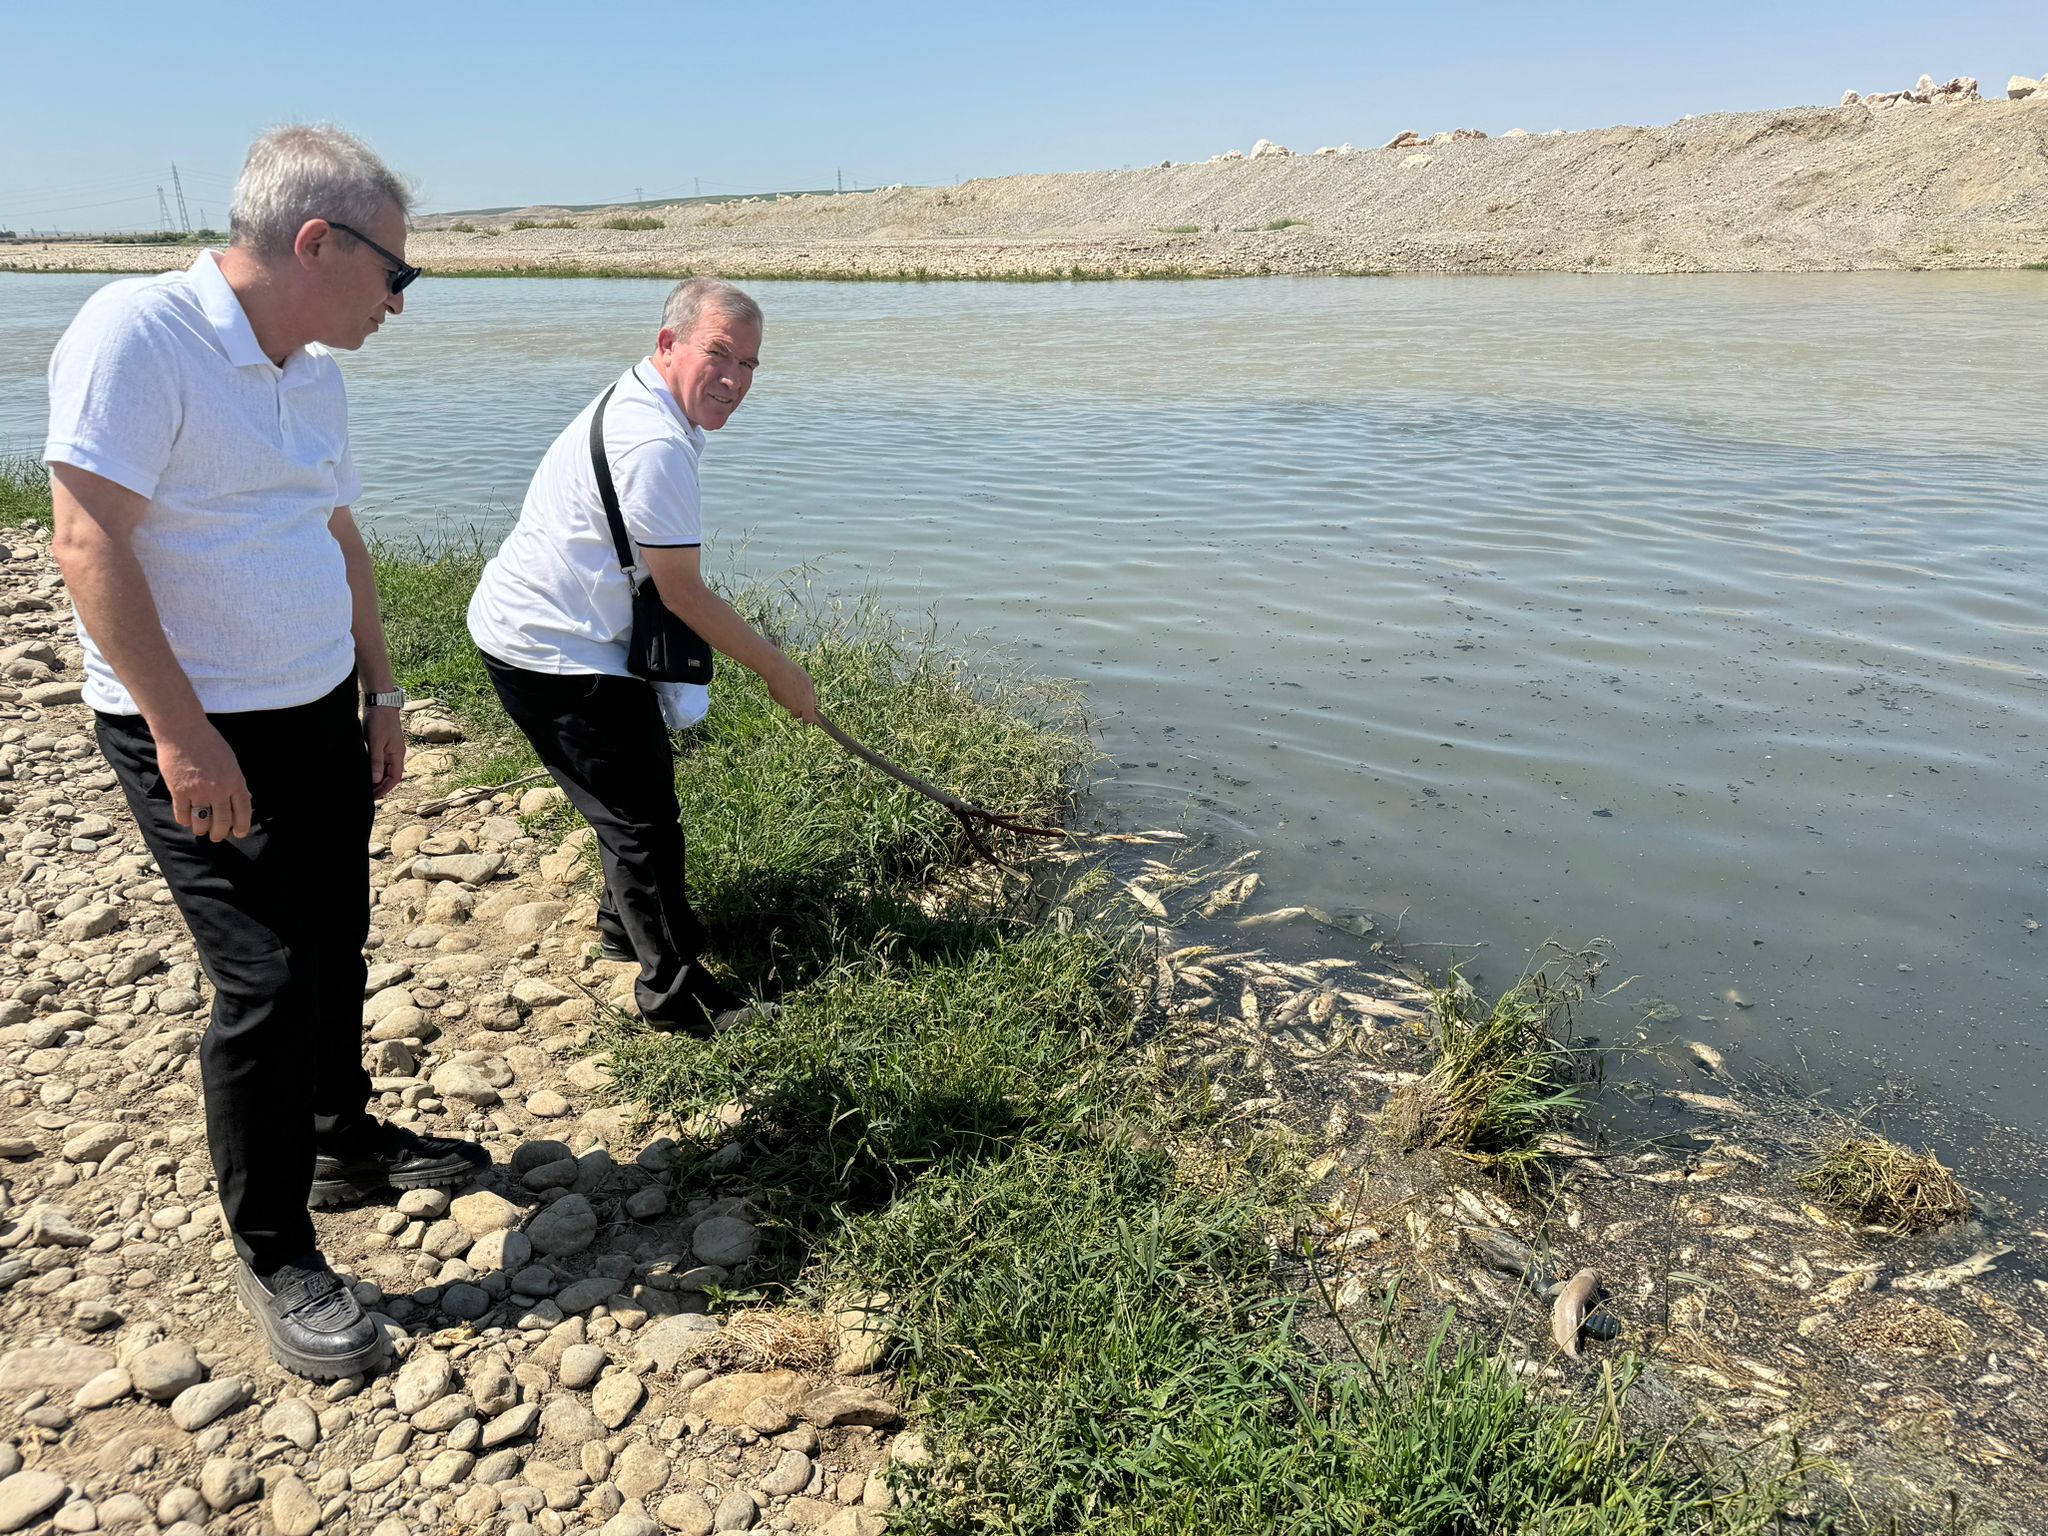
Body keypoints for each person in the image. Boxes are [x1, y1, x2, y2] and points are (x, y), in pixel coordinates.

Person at [45, 124, 487, 1380]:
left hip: (315, 708)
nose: (401, 300)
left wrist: (384, 694)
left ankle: (341, 1133)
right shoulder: (140, 335)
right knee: (268, 974)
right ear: (316, 243)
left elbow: (336, 536)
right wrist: (183, 739)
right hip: (189, 721)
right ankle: (276, 1246)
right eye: (396, 273)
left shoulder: (311, 369)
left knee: (336, 932)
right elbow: (89, 543)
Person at [467, 278, 818, 1034]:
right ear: (668, 344)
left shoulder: (644, 401)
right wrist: (779, 669)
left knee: (632, 792)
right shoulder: (655, 443)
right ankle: (676, 996)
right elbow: (685, 594)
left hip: (548, 628)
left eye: (751, 364)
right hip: (554, 649)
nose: (734, 380)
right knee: (642, 822)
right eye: (718, 355)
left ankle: (623, 926)